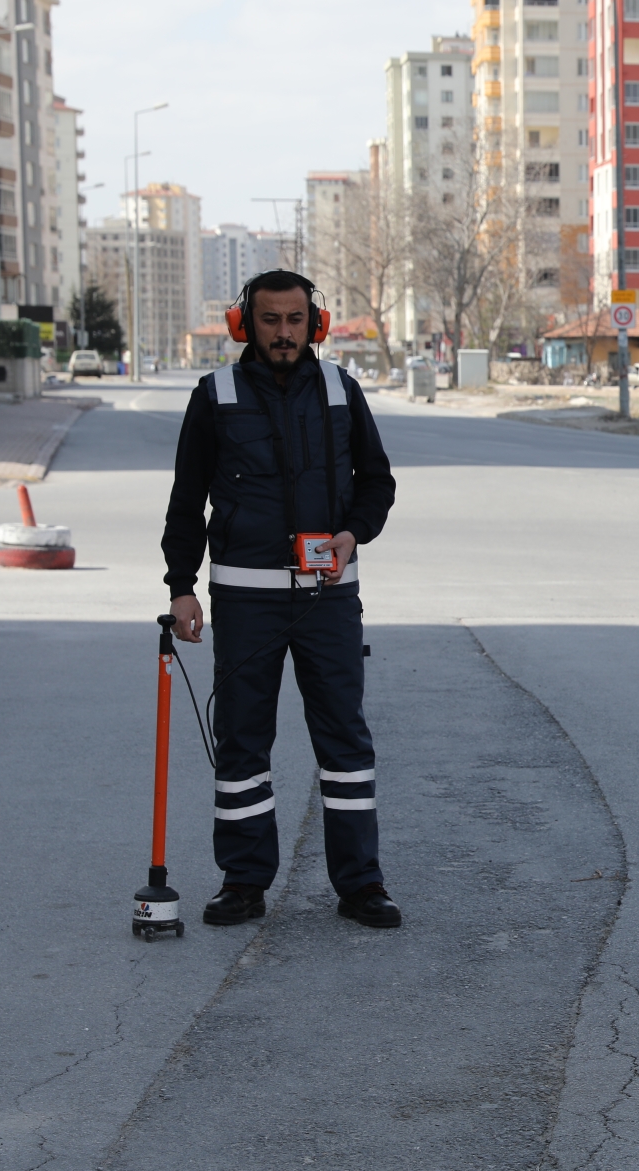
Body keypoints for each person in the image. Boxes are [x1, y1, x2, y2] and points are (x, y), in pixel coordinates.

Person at [161, 270, 401, 928]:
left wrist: (354, 533)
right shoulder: (215, 395)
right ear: (245, 325)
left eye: (296, 319)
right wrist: (181, 586)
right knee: (242, 744)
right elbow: (187, 499)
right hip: (245, 601)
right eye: (270, 320)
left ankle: (362, 884)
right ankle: (242, 882)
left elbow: (377, 482)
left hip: (329, 599)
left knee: (345, 741)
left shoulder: (341, 390)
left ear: (314, 324)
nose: (284, 332)